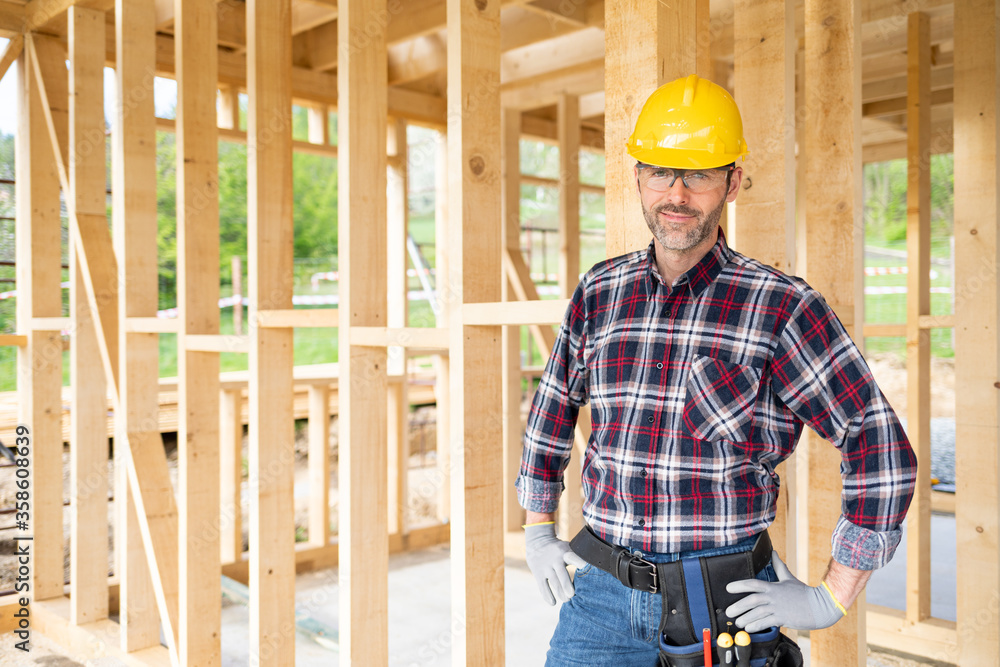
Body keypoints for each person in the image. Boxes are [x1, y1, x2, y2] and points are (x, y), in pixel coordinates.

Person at [515, 74, 918, 667]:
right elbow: (550, 412)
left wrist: (833, 594)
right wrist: (537, 527)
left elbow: (878, 445)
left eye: (698, 174)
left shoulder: (782, 306)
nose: (676, 193)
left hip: (725, 603)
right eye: (660, 172)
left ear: (731, 183)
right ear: (637, 178)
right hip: (598, 596)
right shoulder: (599, 292)